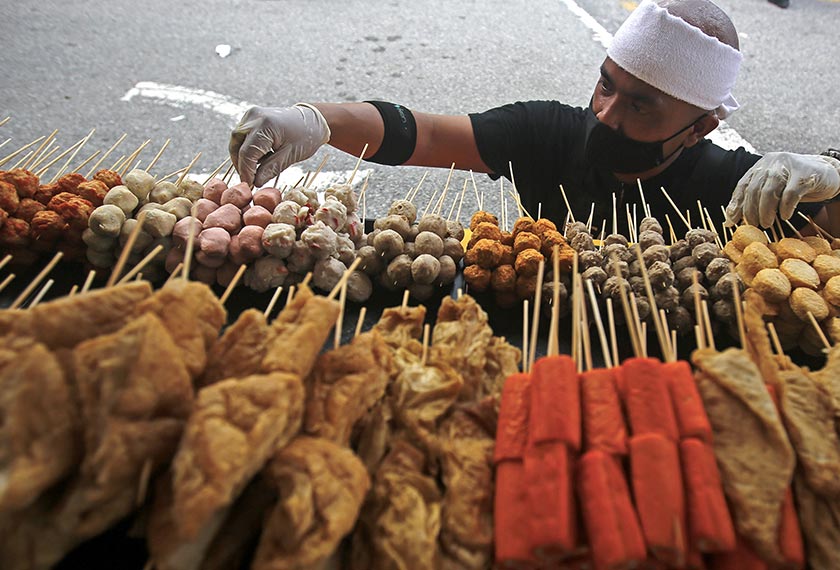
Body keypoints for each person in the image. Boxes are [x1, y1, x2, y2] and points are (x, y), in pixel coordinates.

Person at [228, 0, 839, 235]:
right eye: (606, 85)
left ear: (701, 126)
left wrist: (833, 170)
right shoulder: (550, 134)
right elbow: (423, 132)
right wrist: (316, 120)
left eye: (641, 104)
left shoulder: (738, 187)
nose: (605, 114)